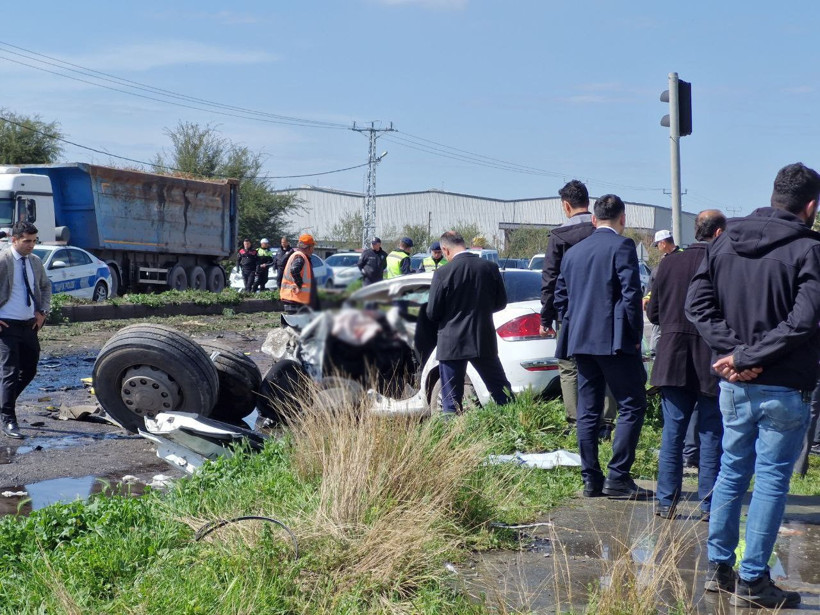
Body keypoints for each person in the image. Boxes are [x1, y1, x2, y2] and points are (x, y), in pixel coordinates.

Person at [686, 163, 820, 609]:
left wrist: (735, 355)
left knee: (731, 472)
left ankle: (718, 570)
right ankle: (752, 581)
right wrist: (744, 356)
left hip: (734, 384)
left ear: (774, 195)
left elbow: (697, 306)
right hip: (782, 386)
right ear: (810, 207)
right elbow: (803, 321)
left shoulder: (723, 241)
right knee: (771, 481)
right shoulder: (808, 249)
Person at [554, 194, 650, 499]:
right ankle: (617, 477)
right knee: (632, 404)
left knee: (588, 410)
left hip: (580, 341)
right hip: (614, 341)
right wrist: (635, 337)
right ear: (623, 219)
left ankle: (591, 480)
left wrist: (572, 327)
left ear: (594, 219)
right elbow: (631, 294)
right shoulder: (622, 246)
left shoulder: (573, 252)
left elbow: (560, 297)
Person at [646, 210, 726, 521]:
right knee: (710, 433)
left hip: (672, 356)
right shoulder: (723, 263)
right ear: (718, 233)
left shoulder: (669, 263)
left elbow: (653, 313)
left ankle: (666, 502)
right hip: (711, 357)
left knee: (673, 433)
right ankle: (708, 505)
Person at [539, 179, 617, 438]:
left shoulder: (559, 237)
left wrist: (546, 317)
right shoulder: (603, 231)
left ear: (566, 205)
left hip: (570, 313)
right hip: (604, 311)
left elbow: (550, 280)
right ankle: (606, 422)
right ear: (588, 202)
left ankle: (576, 422)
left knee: (569, 366)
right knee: (606, 363)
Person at [426, 231, 512, 415]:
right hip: (482, 339)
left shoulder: (442, 273)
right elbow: (501, 303)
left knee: (450, 402)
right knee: (502, 393)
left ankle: (452, 432)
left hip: (452, 342)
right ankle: (514, 425)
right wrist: (480, 311)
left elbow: (432, 312)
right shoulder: (489, 267)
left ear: (445, 250)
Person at [0, 221, 52, 439]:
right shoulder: (3, 260)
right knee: (10, 372)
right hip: (6, 325)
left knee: (29, 370)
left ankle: (4, 403)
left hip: (29, 324)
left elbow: (45, 286)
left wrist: (43, 312)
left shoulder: (35, 261)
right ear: (14, 240)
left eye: (34, 241)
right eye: (26, 241)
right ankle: (8, 419)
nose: (31, 245)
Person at [280, 233, 319, 316]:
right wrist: (299, 284)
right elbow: (294, 269)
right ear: (308, 247)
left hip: (296, 298)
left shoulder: (300, 256)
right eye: (313, 247)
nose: (313, 249)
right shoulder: (300, 256)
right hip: (295, 298)